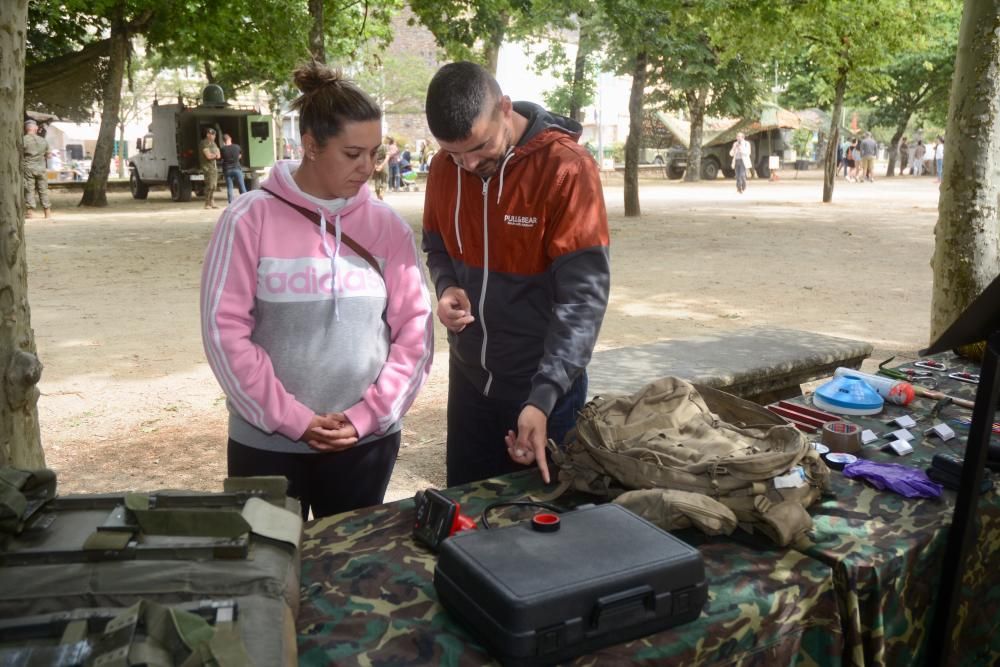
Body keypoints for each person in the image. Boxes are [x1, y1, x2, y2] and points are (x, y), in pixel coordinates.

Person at [200, 60, 434, 519]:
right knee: (268, 573)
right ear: (309, 146)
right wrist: (294, 420)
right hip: (265, 446)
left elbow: (416, 332)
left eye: (375, 152)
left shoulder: (387, 226)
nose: (368, 167)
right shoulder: (247, 220)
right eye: (353, 154)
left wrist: (368, 416)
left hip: (364, 445)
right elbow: (223, 332)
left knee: (348, 576)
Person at [421, 61, 610, 487]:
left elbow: (583, 298)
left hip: (544, 390)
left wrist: (542, 399)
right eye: (455, 153)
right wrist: (447, 286)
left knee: (541, 528)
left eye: (479, 147)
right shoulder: (443, 167)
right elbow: (436, 244)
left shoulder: (567, 169)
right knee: (467, 520)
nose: (468, 165)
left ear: (504, 108)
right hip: (470, 383)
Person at [22, 119, 51, 219]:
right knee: (43, 190)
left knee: (29, 190)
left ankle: (30, 213)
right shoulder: (43, 140)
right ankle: (47, 212)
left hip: (28, 168)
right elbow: (49, 156)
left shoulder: (23, 140)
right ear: (36, 128)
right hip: (41, 168)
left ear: (26, 129)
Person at [220, 133, 247, 204]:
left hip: (227, 170)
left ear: (223, 141)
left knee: (230, 187)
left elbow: (221, 158)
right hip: (237, 168)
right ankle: (246, 201)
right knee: (242, 186)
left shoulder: (222, 149)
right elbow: (240, 156)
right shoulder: (237, 147)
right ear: (230, 139)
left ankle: (231, 203)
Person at [199, 128, 222, 209]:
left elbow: (219, 155)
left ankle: (212, 202)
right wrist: (214, 155)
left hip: (214, 167)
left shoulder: (214, 144)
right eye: (211, 134)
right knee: (210, 186)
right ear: (207, 134)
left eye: (214, 134)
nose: (213, 136)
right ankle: (207, 203)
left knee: (214, 186)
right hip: (207, 168)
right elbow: (208, 156)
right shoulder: (204, 143)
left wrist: (214, 155)